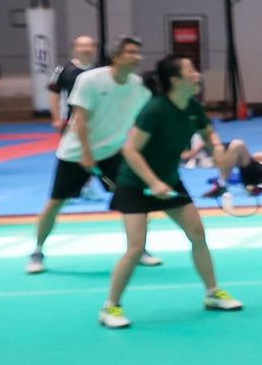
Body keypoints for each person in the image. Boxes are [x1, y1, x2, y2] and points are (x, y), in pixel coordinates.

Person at [101, 55, 242, 329]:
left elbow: (208, 133)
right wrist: (153, 183)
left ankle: (212, 293)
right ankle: (111, 307)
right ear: (175, 80)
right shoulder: (155, 109)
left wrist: (217, 148)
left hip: (170, 180)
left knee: (197, 233)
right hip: (136, 184)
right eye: (191, 69)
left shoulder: (192, 107)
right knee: (136, 247)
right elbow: (130, 150)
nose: (197, 74)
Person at [29, 35, 163, 275]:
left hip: (112, 152)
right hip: (75, 153)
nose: (137, 57)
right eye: (131, 52)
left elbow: (143, 120)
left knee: (135, 200)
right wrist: (87, 154)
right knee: (56, 203)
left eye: (138, 52)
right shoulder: (90, 80)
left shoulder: (138, 86)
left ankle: (138, 248)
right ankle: (37, 251)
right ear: (116, 56)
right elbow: (80, 119)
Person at [50, 35, 98, 130]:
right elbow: (54, 96)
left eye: (89, 46)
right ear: (74, 49)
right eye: (82, 46)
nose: (86, 49)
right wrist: (57, 118)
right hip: (70, 120)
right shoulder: (61, 70)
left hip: (95, 119)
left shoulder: (101, 69)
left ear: (95, 49)